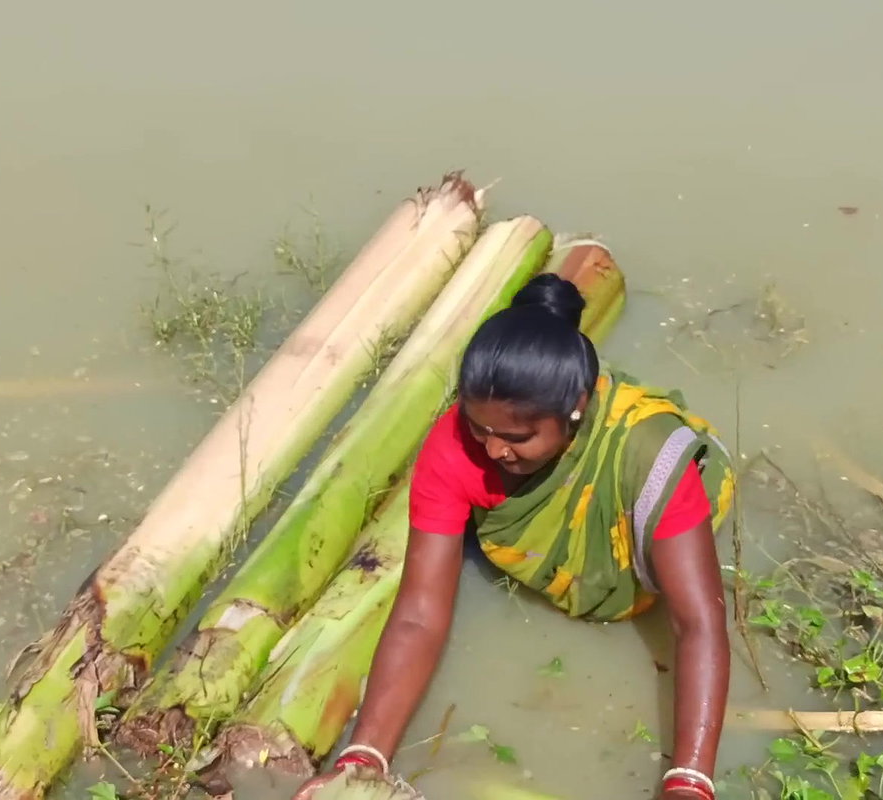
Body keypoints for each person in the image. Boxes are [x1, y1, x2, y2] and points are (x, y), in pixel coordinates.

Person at [293, 273, 736, 800]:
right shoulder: (456, 445)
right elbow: (417, 615)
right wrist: (362, 760)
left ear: (575, 406)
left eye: (517, 437)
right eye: (481, 429)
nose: (494, 450)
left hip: (673, 504)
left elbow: (697, 623)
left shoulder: (650, 459)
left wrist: (689, 784)